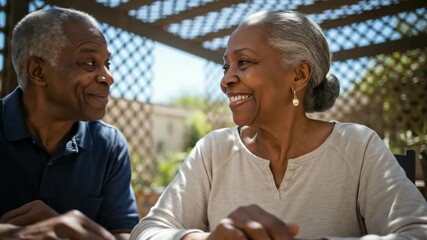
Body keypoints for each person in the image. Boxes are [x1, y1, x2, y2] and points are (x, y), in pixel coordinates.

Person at [130, 10, 427, 240]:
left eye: (243, 62)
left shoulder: (357, 147)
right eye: (226, 66)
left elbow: (417, 232)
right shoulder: (214, 150)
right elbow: (148, 231)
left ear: (298, 75)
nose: (226, 79)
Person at [0, 7, 139, 239]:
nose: (109, 77)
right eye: (89, 63)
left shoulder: (110, 145)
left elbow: (123, 233)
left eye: (108, 64)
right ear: (38, 71)